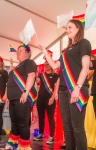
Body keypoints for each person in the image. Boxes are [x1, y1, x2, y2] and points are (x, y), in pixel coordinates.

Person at [39, 19, 91, 150]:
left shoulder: (84, 43)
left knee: (77, 127)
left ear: (78, 29)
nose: (67, 30)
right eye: (66, 28)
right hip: (63, 91)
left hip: (76, 88)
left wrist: (77, 88)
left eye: (70, 27)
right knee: (67, 128)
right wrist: (45, 52)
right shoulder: (65, 50)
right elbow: (55, 65)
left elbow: (85, 67)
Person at [1, 44, 37, 150]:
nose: (18, 52)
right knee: (14, 123)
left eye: (20, 50)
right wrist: (7, 95)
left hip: (22, 97)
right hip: (12, 99)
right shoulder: (16, 68)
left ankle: (24, 147)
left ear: (27, 53)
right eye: (17, 51)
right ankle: (13, 144)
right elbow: (9, 83)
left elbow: (32, 76)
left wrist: (25, 92)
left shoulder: (29, 62)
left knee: (23, 123)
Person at [33, 61, 58, 145]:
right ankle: (41, 134)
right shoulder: (42, 75)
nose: (46, 66)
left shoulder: (55, 76)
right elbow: (37, 81)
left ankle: (51, 136)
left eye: (48, 64)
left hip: (50, 98)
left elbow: (56, 88)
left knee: (51, 117)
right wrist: (35, 73)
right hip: (40, 98)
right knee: (41, 117)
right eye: (45, 65)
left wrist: (53, 97)